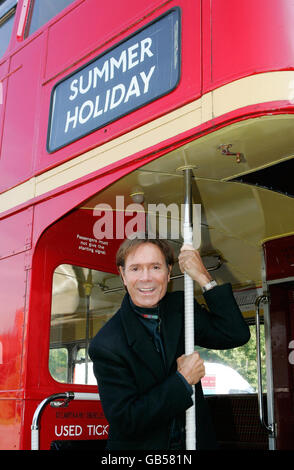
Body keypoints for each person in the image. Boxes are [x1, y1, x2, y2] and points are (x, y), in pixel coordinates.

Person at [89, 238, 250, 450]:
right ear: (123, 275)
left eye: (155, 267)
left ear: (168, 271)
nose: (146, 278)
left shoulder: (181, 307)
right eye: (136, 269)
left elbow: (234, 334)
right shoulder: (107, 343)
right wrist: (182, 381)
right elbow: (127, 420)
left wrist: (203, 276)